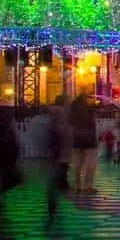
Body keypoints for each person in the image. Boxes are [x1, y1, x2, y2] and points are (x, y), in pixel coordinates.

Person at [0, 109, 22, 240]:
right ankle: (0, 235)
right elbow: (13, 149)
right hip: (1, 170)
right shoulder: (6, 132)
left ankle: (0, 234)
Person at [46, 99, 73, 230]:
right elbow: (67, 138)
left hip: (53, 158)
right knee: (55, 183)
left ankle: (52, 210)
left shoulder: (49, 117)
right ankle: (53, 208)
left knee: (51, 185)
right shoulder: (64, 119)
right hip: (60, 158)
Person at [68, 94, 98, 194]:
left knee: (76, 164)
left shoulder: (72, 110)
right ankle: (87, 186)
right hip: (89, 140)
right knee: (90, 164)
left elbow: (70, 123)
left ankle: (77, 186)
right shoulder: (89, 110)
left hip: (76, 139)